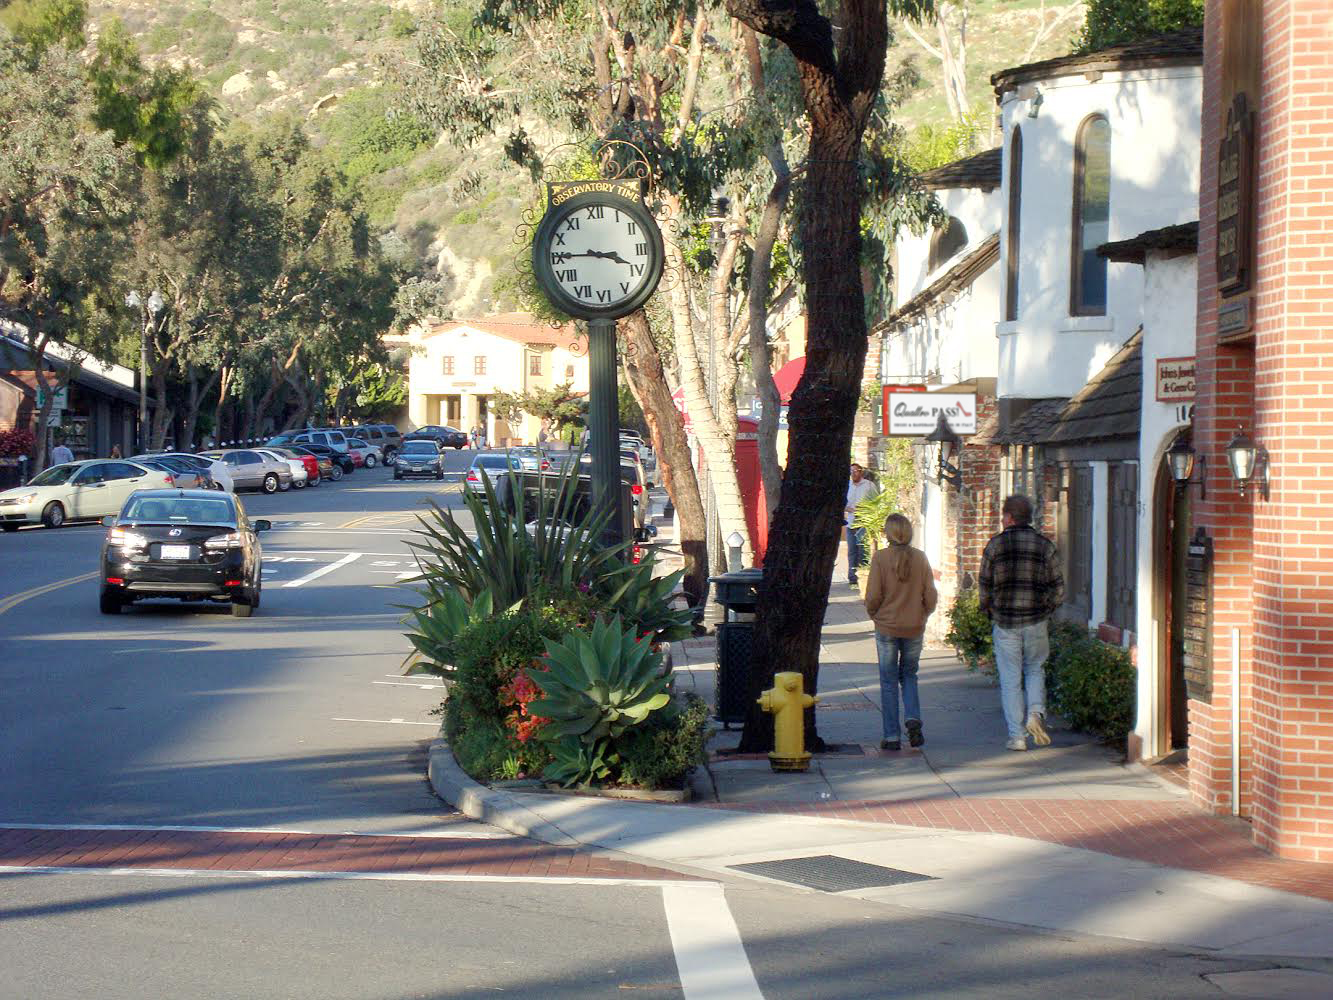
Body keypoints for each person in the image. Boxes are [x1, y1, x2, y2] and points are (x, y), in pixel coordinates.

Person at [979, 494, 1065, 751]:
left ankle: (1017, 736)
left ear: (1008, 517)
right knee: (1036, 668)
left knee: (1010, 679)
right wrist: (1048, 607)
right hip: (1036, 619)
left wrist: (988, 609)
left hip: (1005, 621)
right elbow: (1058, 587)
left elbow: (985, 585)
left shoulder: (995, 546)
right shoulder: (1044, 546)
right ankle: (1036, 712)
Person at [864, 513, 937, 751]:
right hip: (914, 626)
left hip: (887, 625)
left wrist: (874, 614)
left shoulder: (880, 558)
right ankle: (913, 717)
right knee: (909, 675)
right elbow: (931, 595)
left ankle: (892, 735)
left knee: (888, 681)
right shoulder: (921, 558)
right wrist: (923, 614)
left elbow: (873, 595)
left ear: (888, 533)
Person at [843, 463, 879, 585]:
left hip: (864, 523)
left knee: (862, 551)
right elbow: (842, 503)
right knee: (852, 551)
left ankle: (863, 577)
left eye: (856, 471)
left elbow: (876, 502)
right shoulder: (847, 486)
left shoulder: (869, 486)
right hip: (851, 523)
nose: (853, 473)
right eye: (851, 471)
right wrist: (848, 509)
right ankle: (852, 577)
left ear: (861, 472)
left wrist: (867, 510)